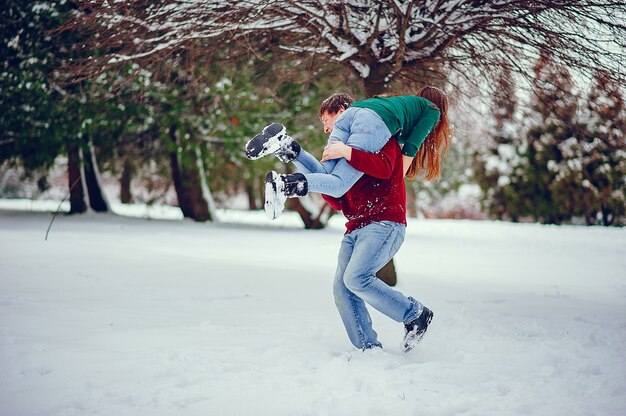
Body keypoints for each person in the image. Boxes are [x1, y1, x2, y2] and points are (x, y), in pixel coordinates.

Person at [244, 89, 451, 351]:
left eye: (327, 121)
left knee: (357, 278)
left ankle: (415, 314)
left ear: (344, 112)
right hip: (355, 227)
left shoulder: (381, 141)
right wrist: (300, 158)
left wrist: (346, 156)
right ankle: (367, 349)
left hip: (384, 222)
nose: (327, 130)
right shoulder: (343, 150)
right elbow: (336, 192)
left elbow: (388, 169)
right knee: (343, 290)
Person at [245, 87, 446, 219]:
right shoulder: (432, 110)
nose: (325, 129)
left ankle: (285, 146)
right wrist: (396, 180)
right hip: (373, 121)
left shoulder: (400, 107)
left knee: (327, 173)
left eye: (325, 122)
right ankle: (285, 185)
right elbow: (412, 146)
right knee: (340, 183)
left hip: (354, 113)